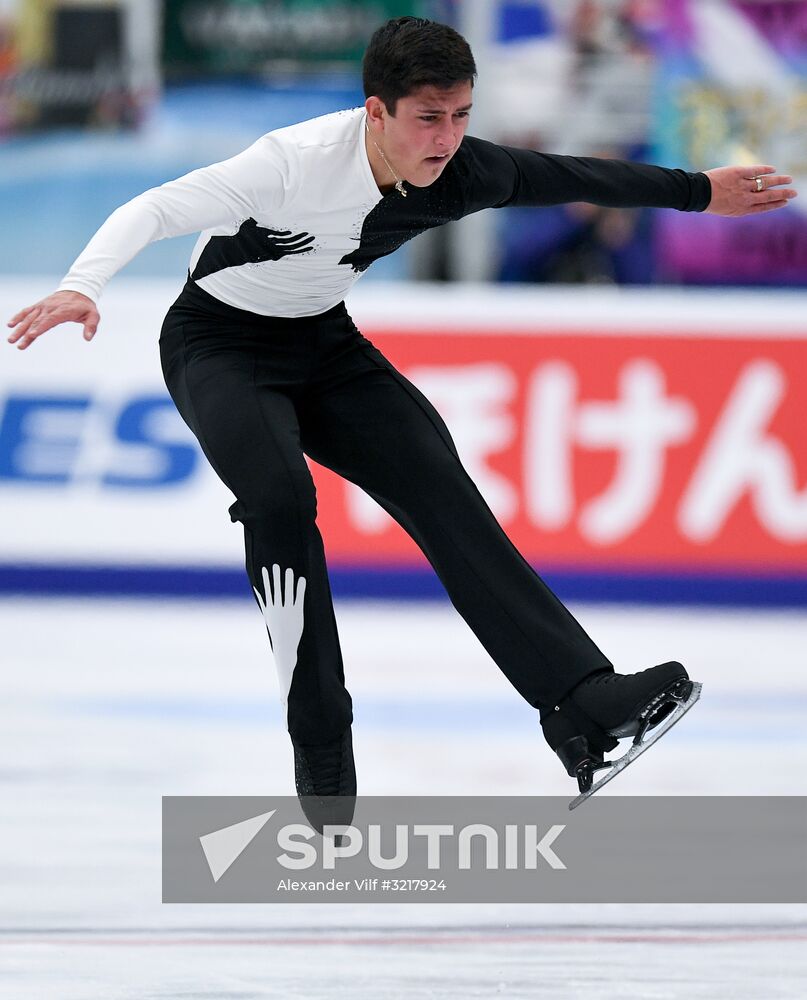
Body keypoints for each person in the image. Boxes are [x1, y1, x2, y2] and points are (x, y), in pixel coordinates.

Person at [7, 17, 797, 826]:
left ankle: (583, 708)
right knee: (280, 504)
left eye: (460, 115)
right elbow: (154, 207)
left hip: (326, 346)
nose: (447, 138)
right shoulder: (292, 164)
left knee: (444, 492)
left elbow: (570, 175)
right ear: (374, 113)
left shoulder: (463, 170)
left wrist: (698, 191)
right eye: (428, 117)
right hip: (220, 345)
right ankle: (320, 744)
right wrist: (84, 284)